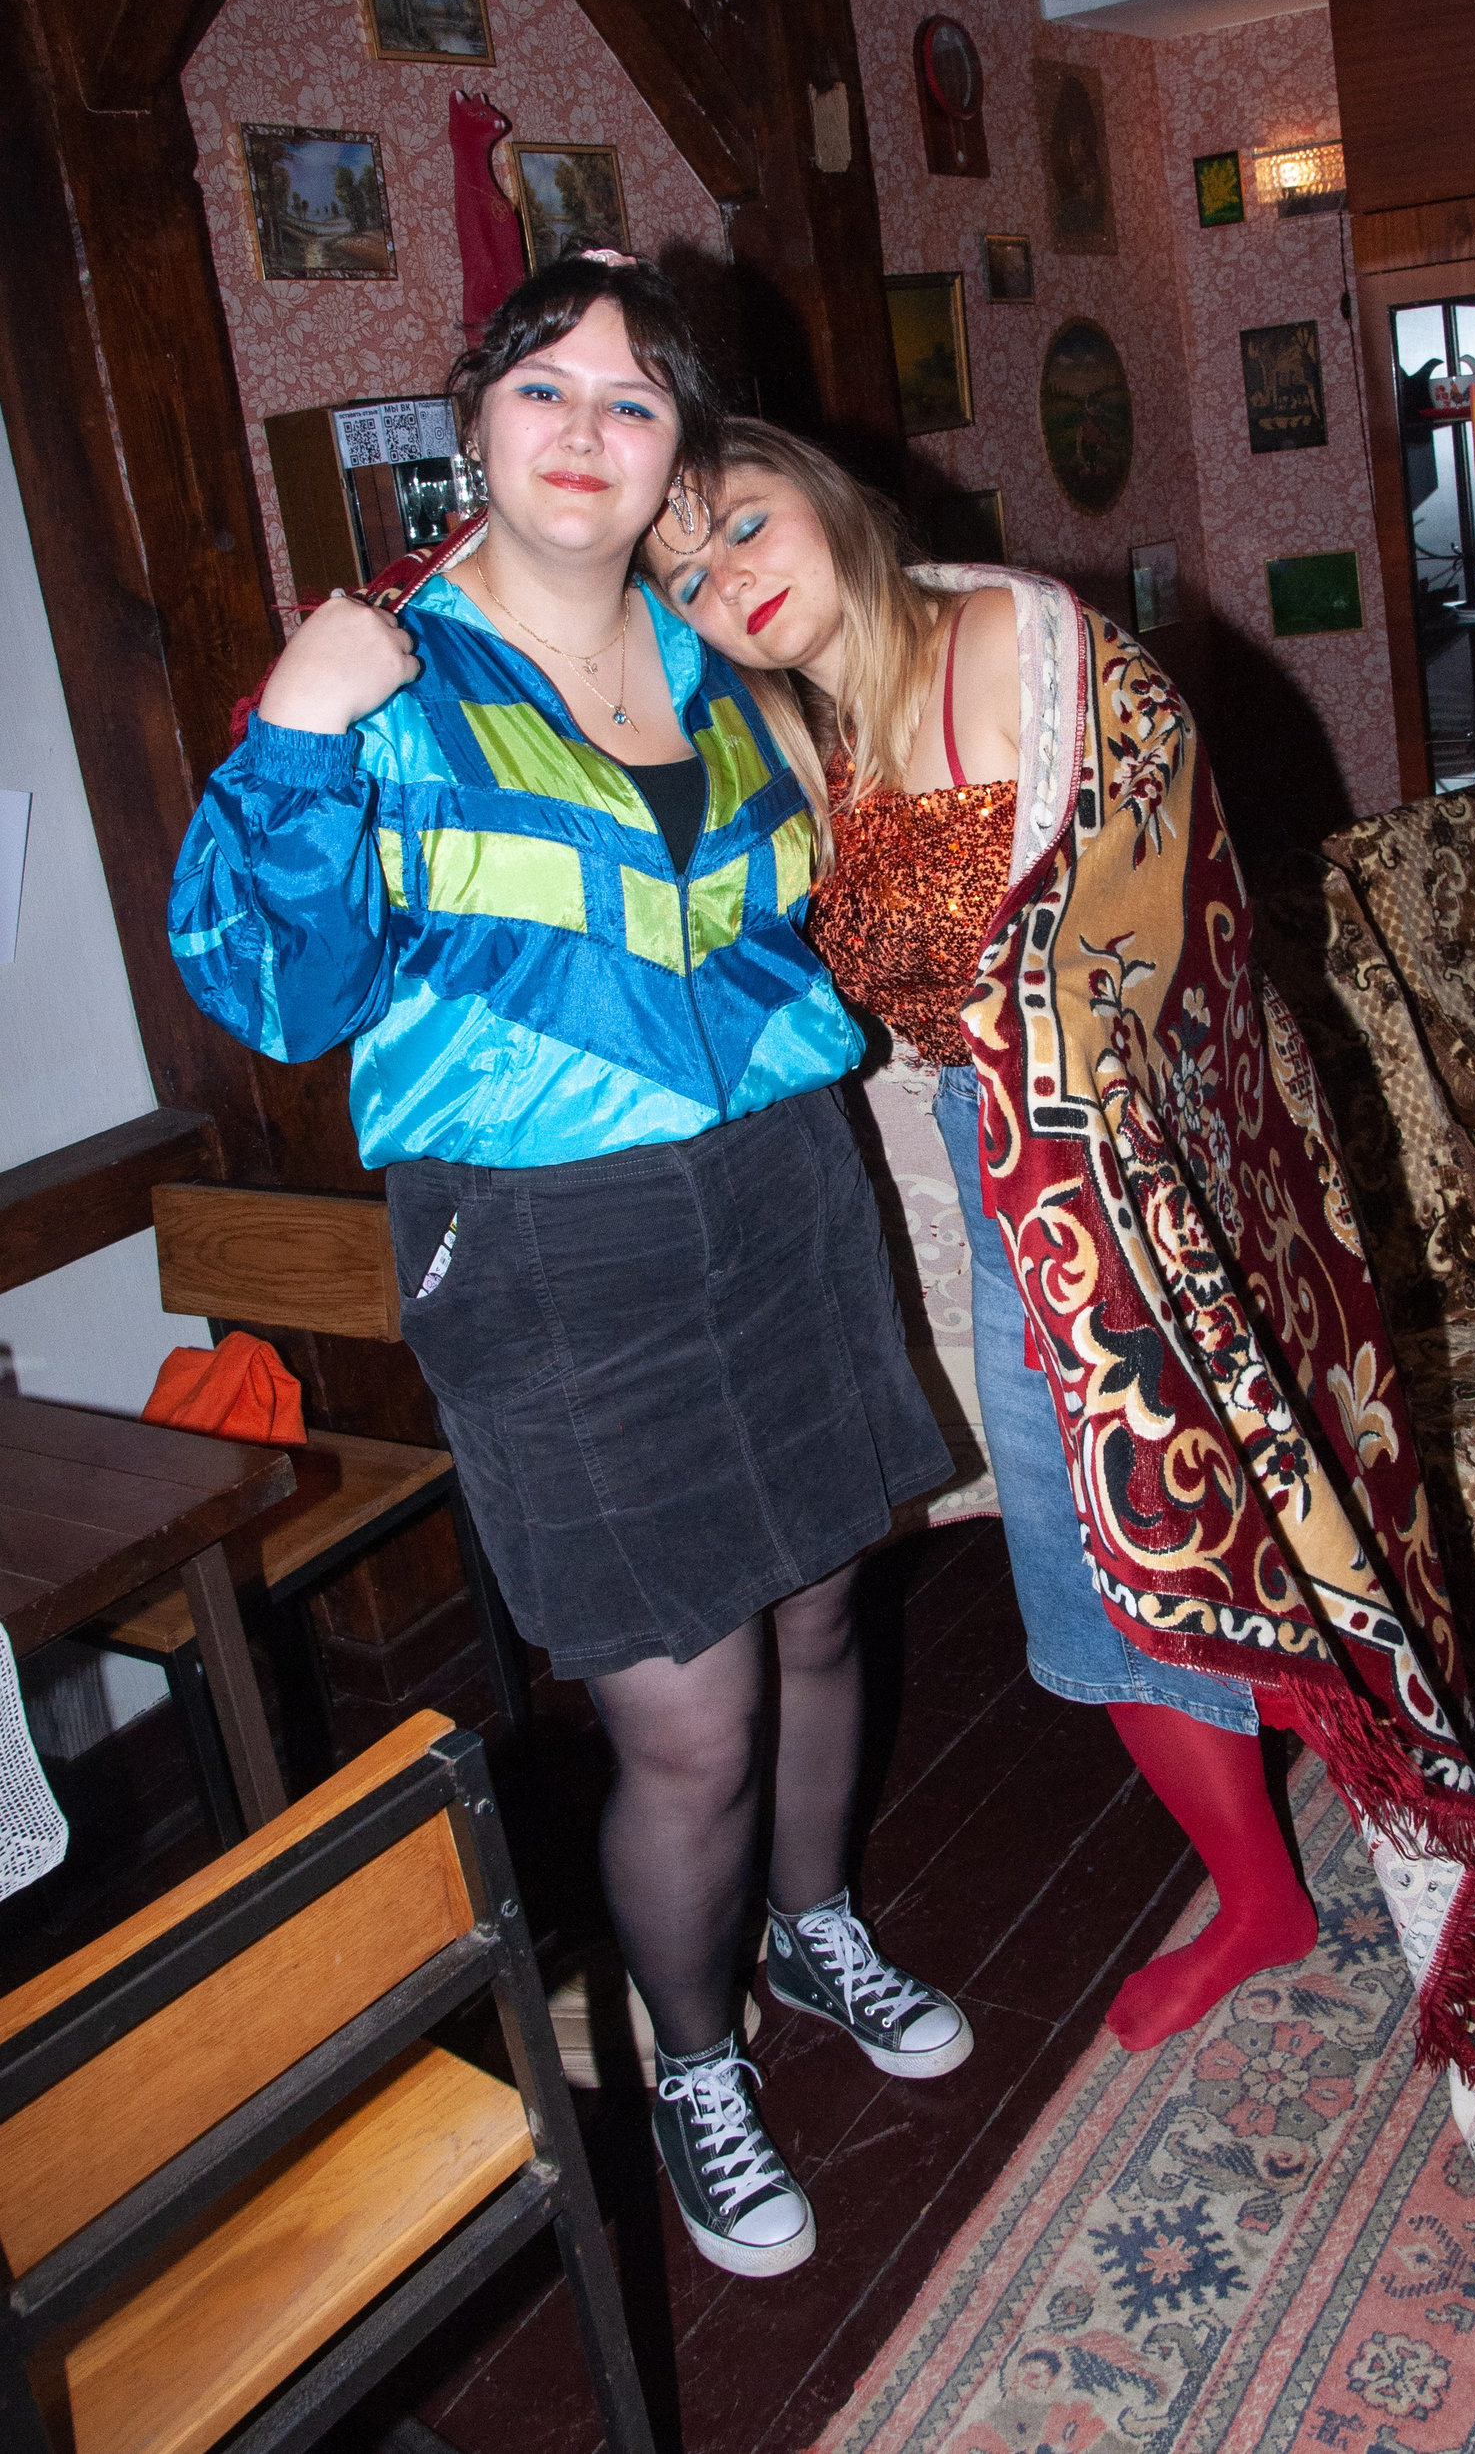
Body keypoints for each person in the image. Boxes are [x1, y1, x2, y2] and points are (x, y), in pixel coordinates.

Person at [648, 418, 1475, 2222]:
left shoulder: (1034, 647)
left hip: (1174, 1186)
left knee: (1316, 1574)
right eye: (687, 575)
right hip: (1007, 1205)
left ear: (824, 497)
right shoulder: (789, 746)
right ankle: (1254, 1897)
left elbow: (1172, 931)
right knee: (1102, 1593)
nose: (730, 584)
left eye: (744, 525)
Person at [167, 264, 971, 2283]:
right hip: (546, 1249)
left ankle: (818, 1932)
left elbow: (850, 918)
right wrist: (292, 734)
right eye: (547, 388)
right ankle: (692, 2062)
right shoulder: (385, 681)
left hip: (783, 1193)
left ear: (680, 452)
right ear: (476, 423)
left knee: (821, 1615)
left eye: (634, 402)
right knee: (688, 1716)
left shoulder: (731, 662)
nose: (586, 433)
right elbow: (276, 992)